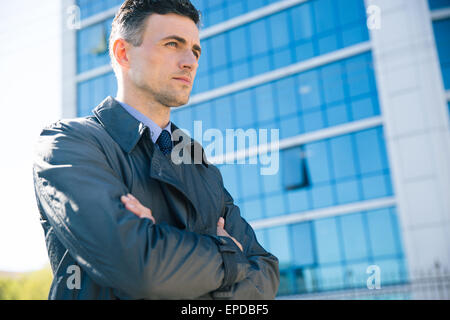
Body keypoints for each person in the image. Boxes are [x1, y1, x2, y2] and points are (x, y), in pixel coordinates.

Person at [32, 0, 279, 300]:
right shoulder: (67, 144)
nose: (190, 61)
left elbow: (265, 272)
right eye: (173, 44)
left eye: (195, 50)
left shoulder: (199, 164)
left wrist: (166, 251)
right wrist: (228, 252)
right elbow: (141, 269)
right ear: (123, 53)